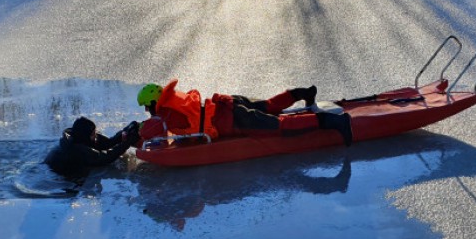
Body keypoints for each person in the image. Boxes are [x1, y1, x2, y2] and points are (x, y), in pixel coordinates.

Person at [136, 80, 353, 146]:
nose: (147, 111)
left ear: (154, 103)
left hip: (231, 118)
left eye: (147, 107)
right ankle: (301, 93)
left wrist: (137, 135)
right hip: (226, 103)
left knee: (280, 126)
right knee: (268, 105)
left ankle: (334, 122)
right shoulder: (174, 100)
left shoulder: (167, 113)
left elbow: (156, 134)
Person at [45, 117, 141, 179]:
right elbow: (105, 158)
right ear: (85, 136)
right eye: (93, 134)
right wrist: (128, 142)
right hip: (59, 173)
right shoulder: (77, 149)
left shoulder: (79, 136)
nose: (96, 136)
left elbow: (108, 143)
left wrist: (126, 130)